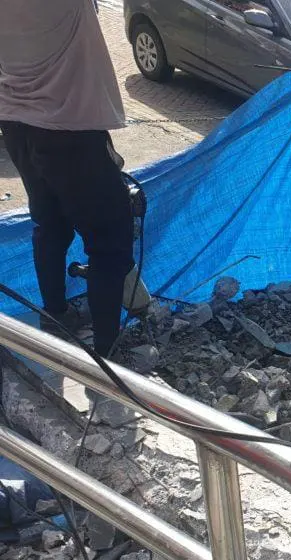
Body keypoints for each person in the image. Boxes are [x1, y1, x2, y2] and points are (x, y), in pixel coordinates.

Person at [0, 0, 136, 357]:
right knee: (109, 243)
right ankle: (106, 357)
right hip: (69, 129)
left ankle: (55, 316)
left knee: (50, 224)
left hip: (17, 124)